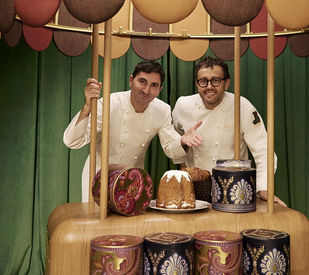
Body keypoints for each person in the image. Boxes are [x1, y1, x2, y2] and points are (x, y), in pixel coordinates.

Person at [64, 60, 203, 202]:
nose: (146, 90)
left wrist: (183, 141)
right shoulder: (110, 104)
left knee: (128, 224)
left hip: (132, 180)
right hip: (98, 176)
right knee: (95, 222)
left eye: (153, 85)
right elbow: (73, 141)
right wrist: (87, 107)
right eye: (142, 81)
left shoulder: (162, 110)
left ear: (160, 90)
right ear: (131, 80)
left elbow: (170, 148)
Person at [172, 56, 286, 206]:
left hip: (233, 190)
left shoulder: (242, 107)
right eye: (203, 81)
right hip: (194, 190)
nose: (209, 86)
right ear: (197, 84)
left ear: (226, 83)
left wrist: (263, 188)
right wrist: (182, 164)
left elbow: (263, 151)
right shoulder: (183, 105)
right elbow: (173, 141)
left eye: (216, 80)